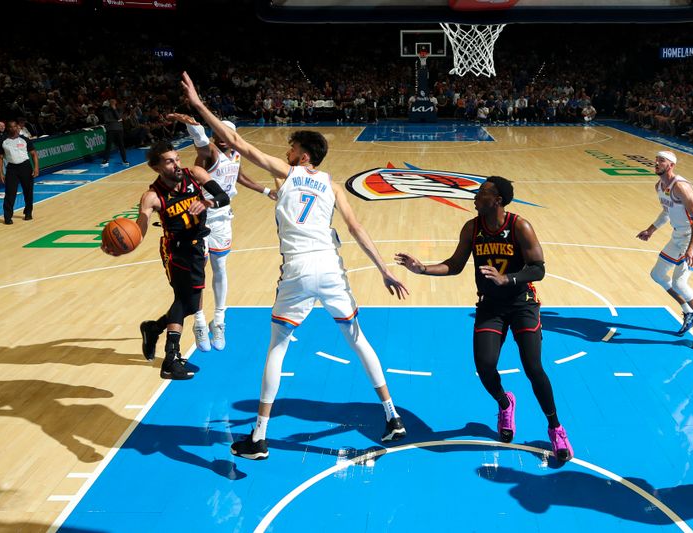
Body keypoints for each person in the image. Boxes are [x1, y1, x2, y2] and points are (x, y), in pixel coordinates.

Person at [181, 71, 410, 459]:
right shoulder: (334, 185)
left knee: (277, 346)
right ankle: (392, 416)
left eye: (291, 148)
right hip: (331, 265)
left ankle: (258, 436)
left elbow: (235, 141)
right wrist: (383, 269)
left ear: (302, 156)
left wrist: (199, 105)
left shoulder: (287, 173)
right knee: (357, 339)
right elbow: (354, 228)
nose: (286, 152)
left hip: (299, 269)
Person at [395, 176, 574, 462]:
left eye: (482, 193)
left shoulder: (519, 226)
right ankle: (505, 403)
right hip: (491, 306)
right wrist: (422, 268)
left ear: (497, 200)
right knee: (485, 366)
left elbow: (538, 269)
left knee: (533, 367)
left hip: (522, 304)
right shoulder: (472, 228)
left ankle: (555, 427)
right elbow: (454, 265)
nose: (475, 197)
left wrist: (508, 278)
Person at [105, 141, 230, 380]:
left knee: (192, 305)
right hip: (175, 250)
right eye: (169, 161)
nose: (177, 164)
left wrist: (207, 202)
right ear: (156, 168)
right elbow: (139, 231)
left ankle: (153, 328)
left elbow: (223, 197)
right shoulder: (152, 196)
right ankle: (170, 360)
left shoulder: (195, 174)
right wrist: (119, 248)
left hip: (197, 246)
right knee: (183, 300)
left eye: (177, 158)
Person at [167, 113, 277, 352]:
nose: (222, 138)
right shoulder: (209, 154)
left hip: (222, 219)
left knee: (220, 268)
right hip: (198, 218)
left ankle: (218, 321)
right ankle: (198, 321)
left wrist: (265, 190)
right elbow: (201, 142)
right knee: (198, 275)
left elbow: (239, 177)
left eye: (227, 135)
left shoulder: (236, 154)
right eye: (218, 134)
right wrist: (193, 125)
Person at [636, 150, 693, 348]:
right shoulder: (659, 186)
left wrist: (692, 248)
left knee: (680, 282)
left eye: (661, 160)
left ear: (671, 165)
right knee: (657, 274)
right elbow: (666, 212)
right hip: (678, 235)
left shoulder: (681, 186)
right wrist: (650, 230)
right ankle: (688, 310)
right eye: (656, 159)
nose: (656, 162)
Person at [0, 120, 39, 224]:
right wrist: (1, 173)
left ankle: (28, 212)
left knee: (28, 191)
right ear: (8, 128)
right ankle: (7, 217)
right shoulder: (3, 141)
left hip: (25, 166)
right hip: (11, 168)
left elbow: (33, 154)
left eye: (14, 126)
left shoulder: (25, 139)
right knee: (10, 193)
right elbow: (0, 157)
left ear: (17, 127)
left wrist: (36, 168)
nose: (13, 128)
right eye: (10, 127)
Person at [101, 99, 129, 167]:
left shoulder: (119, 109)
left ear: (116, 102)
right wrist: (117, 121)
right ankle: (105, 160)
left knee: (121, 145)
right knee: (108, 145)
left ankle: (124, 160)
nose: (112, 103)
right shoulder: (106, 110)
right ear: (109, 103)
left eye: (114, 102)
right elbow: (106, 120)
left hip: (119, 130)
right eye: (111, 102)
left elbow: (119, 117)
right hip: (110, 130)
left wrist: (114, 110)